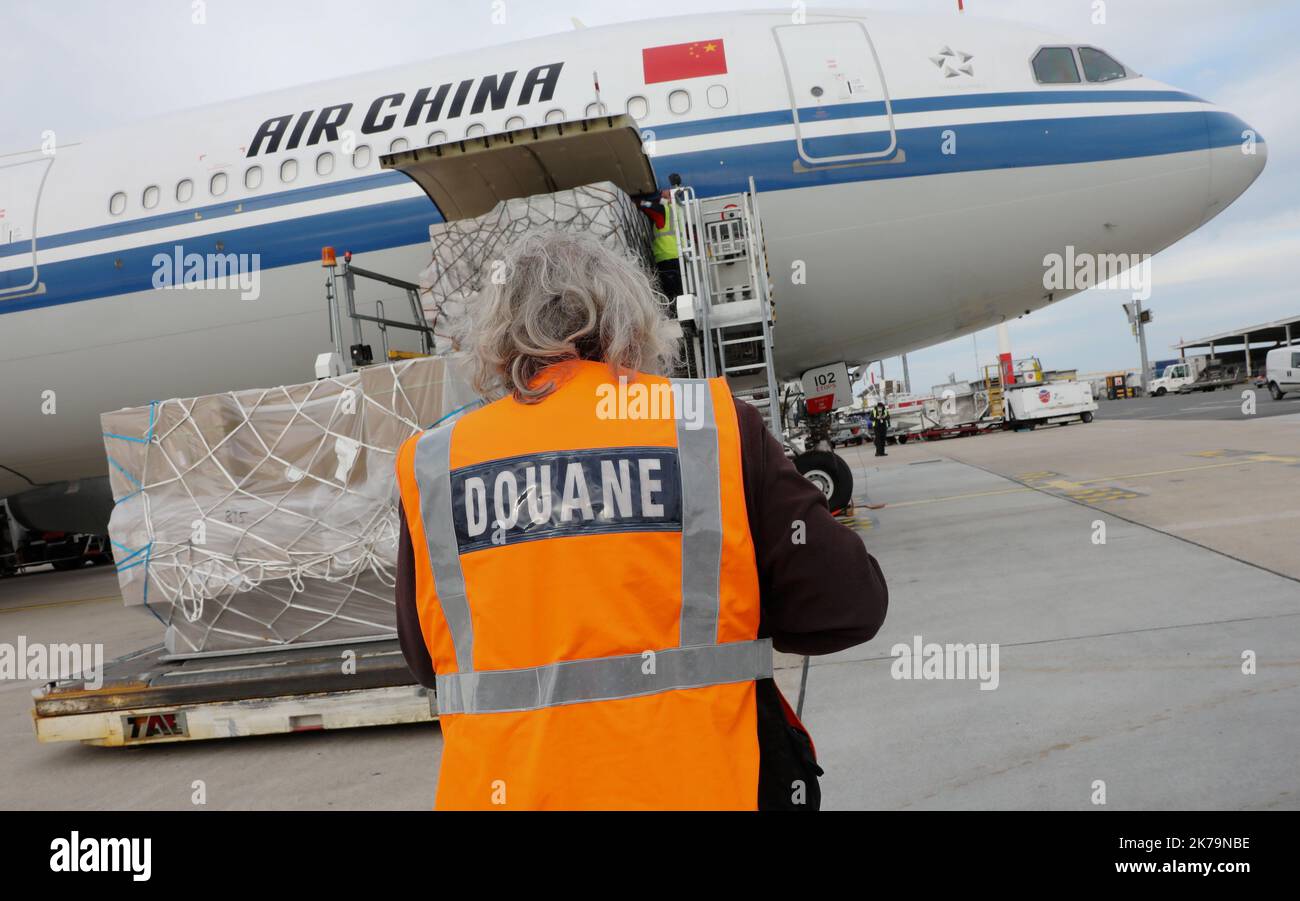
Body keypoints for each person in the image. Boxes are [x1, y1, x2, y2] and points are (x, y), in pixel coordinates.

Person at [393, 231, 887, 810]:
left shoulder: (436, 459)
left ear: (498, 339)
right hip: (708, 787)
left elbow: (428, 660)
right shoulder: (708, 425)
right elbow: (850, 605)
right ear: (629, 321)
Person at [637, 188, 683, 302]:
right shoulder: (677, 210)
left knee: (670, 293)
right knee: (680, 290)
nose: (661, 195)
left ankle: (675, 315)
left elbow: (644, 205)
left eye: (663, 194)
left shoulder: (662, 210)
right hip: (678, 255)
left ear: (668, 198)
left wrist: (637, 201)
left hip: (666, 257)